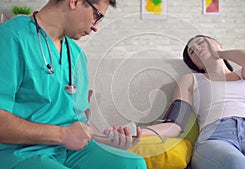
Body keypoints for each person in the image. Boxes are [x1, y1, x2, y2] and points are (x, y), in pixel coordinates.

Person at [0, 0, 147, 169]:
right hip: (20, 153)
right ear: (74, 2)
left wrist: (109, 140)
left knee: (132, 164)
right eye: (96, 15)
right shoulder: (11, 37)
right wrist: (62, 135)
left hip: (68, 151)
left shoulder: (76, 55)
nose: (95, 27)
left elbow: (78, 124)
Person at [142, 35, 245, 169]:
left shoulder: (244, 76)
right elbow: (174, 125)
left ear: (218, 44)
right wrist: (139, 133)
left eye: (201, 42)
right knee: (239, 165)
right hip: (215, 137)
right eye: (192, 51)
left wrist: (218, 54)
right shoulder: (191, 80)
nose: (196, 48)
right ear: (195, 63)